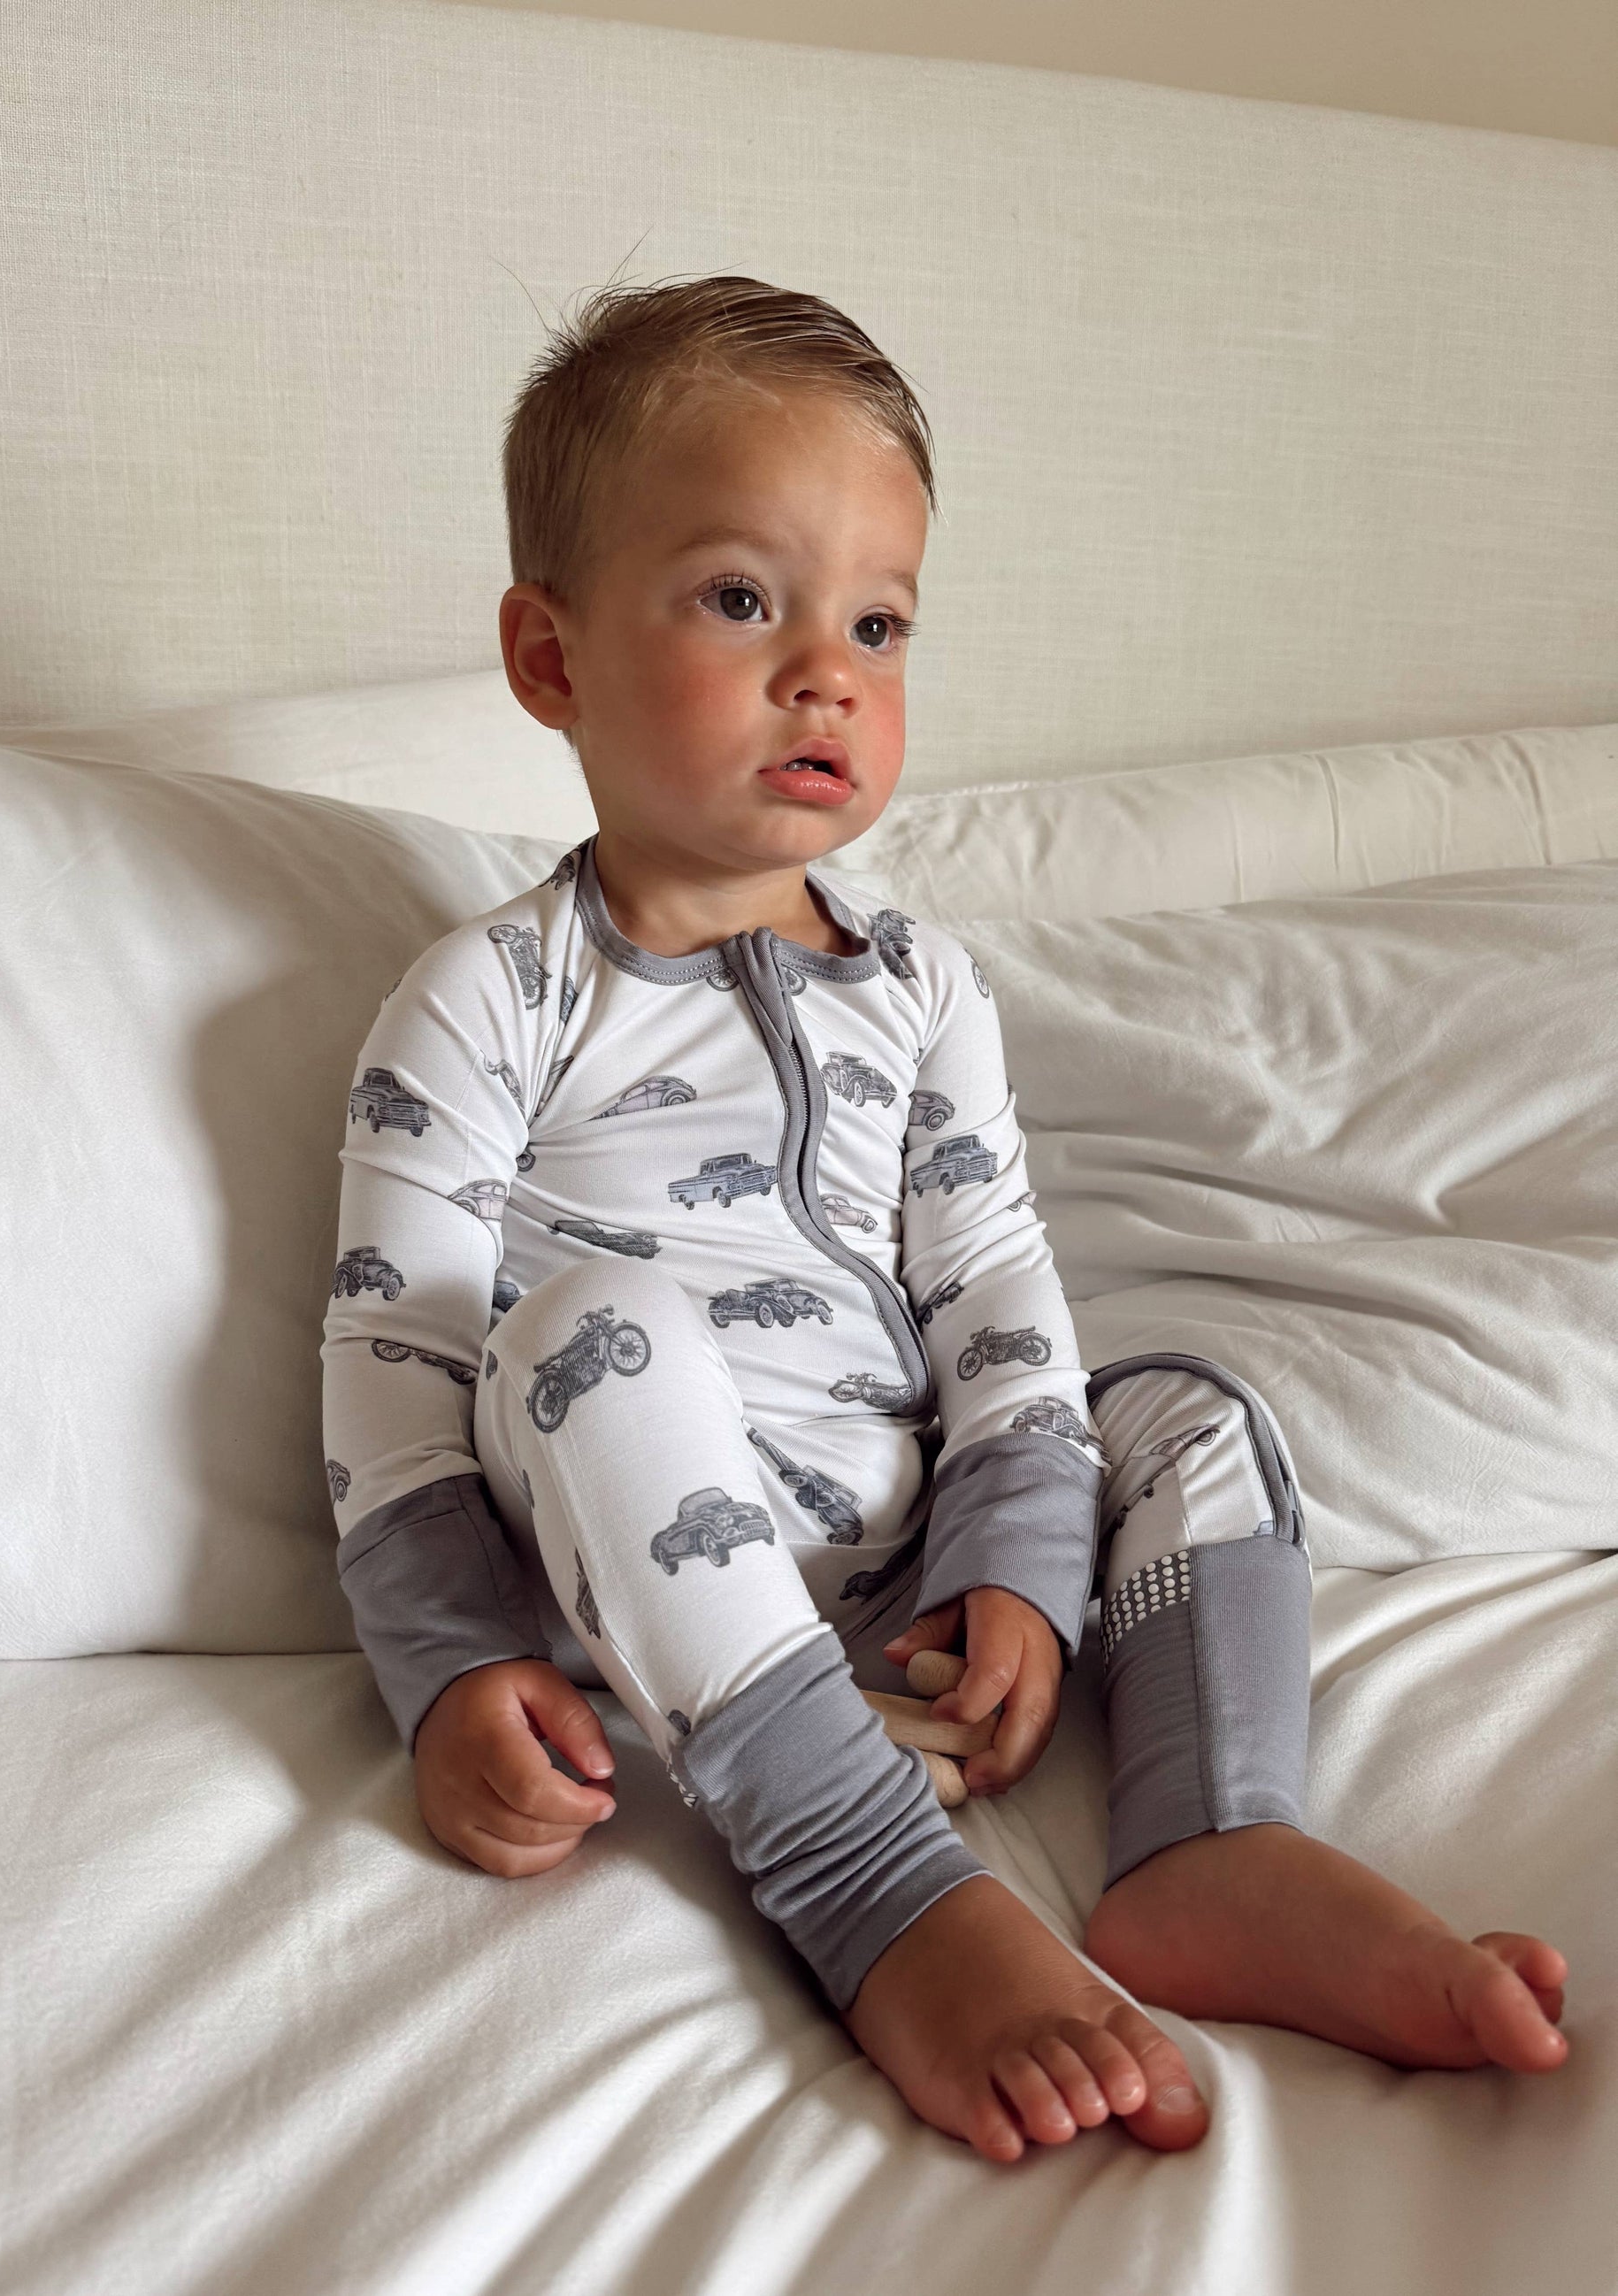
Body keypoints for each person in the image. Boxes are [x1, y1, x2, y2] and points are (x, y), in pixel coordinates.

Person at [319, 274, 1569, 2165]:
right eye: (741, 599)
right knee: (585, 1330)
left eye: (877, 622)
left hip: (911, 1588)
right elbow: (395, 1353)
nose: (825, 670)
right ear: (549, 656)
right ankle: (868, 1878)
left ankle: (1207, 1830)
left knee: (1186, 1405)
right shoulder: (490, 995)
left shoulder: (920, 988)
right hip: (648, 1567)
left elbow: (988, 1279)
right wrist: (447, 1666)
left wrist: (1017, 1548)